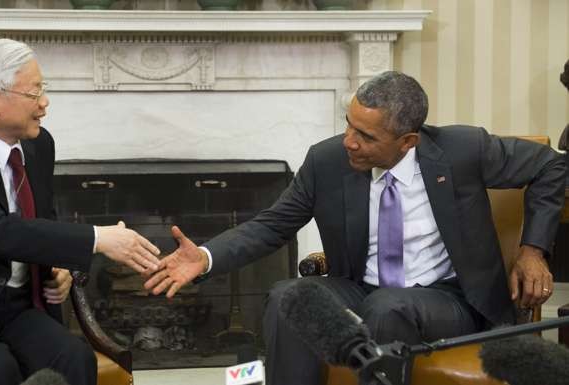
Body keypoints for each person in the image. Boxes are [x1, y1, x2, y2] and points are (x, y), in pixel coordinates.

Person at [144, 71, 567, 385]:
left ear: (408, 142)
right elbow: (272, 225)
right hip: (359, 287)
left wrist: (533, 250)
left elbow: (552, 165)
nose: (349, 141)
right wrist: (205, 256)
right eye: (349, 125)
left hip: (447, 297)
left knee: (389, 307)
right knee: (289, 295)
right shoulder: (327, 161)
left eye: (364, 135)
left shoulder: (463, 150)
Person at [0, 39, 162, 385]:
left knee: (73, 359)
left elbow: (41, 220)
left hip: (16, 306)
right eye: (34, 92)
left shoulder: (38, 145)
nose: (44, 103)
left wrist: (56, 268)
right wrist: (97, 238)